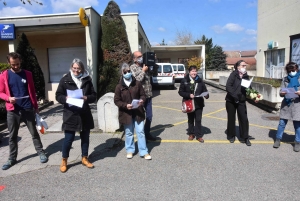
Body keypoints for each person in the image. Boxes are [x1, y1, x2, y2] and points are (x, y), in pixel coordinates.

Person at [0, 52, 48, 170]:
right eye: (13, 64)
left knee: (34, 133)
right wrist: (8, 98)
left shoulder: (27, 74)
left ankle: (41, 152)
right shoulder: (4, 75)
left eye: (17, 64)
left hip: (27, 108)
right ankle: (12, 158)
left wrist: (36, 108)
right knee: (12, 136)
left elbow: (32, 91)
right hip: (13, 110)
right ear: (9, 63)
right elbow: (0, 92)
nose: (15, 66)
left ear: (20, 61)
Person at [55, 58, 96, 173]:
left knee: (85, 138)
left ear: (82, 69)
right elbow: (58, 96)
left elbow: (94, 95)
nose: (76, 70)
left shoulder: (87, 80)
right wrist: (65, 99)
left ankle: (84, 158)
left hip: (84, 113)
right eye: (74, 68)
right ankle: (64, 160)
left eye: (78, 68)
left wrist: (87, 98)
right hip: (70, 114)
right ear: (71, 68)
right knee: (69, 139)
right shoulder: (65, 80)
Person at [114, 63, 152, 160]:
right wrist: (125, 105)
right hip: (126, 113)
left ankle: (144, 151)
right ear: (122, 73)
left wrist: (141, 100)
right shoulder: (119, 86)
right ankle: (130, 150)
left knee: (141, 132)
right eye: (125, 72)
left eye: (129, 71)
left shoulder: (137, 83)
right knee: (129, 133)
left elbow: (143, 95)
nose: (127, 73)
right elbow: (116, 100)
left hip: (138, 111)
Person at [273, 62, 300, 152]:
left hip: (297, 104)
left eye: (294, 69)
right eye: (290, 70)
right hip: (286, 104)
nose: (292, 71)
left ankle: (297, 142)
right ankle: (277, 139)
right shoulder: (285, 79)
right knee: (282, 123)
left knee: (298, 125)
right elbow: (281, 91)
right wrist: (282, 93)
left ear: (297, 69)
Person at [178, 65, 209, 142]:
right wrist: (188, 95)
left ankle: (199, 136)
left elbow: (205, 90)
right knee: (191, 119)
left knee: (198, 120)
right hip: (189, 103)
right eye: (192, 71)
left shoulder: (200, 80)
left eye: (195, 71)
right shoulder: (185, 80)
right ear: (189, 72)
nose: (194, 73)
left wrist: (206, 95)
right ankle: (191, 134)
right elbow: (180, 92)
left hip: (198, 103)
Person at [130, 51, 156, 141]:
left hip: (148, 95)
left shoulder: (145, 65)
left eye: (142, 56)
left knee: (149, 116)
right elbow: (136, 80)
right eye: (139, 56)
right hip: (139, 97)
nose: (141, 57)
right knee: (139, 117)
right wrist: (143, 71)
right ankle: (141, 137)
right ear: (134, 59)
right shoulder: (132, 68)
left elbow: (153, 74)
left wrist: (153, 63)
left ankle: (147, 133)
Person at [225, 60, 251, 146]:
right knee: (231, 118)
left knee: (244, 119)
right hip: (231, 100)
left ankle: (245, 137)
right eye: (243, 65)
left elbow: (249, 88)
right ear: (238, 67)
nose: (245, 67)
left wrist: (254, 95)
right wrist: (235, 96)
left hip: (241, 100)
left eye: (245, 65)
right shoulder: (233, 75)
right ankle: (231, 135)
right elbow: (228, 86)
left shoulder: (246, 76)